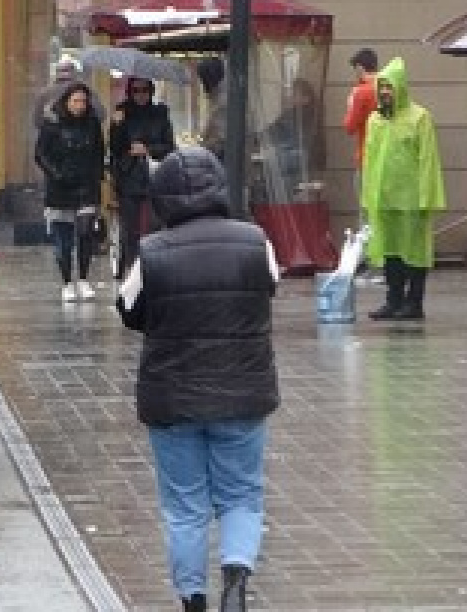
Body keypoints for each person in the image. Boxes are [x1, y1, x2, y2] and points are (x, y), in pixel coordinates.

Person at [117, 146, 279, 612]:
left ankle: (192, 599)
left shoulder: (152, 252)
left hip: (173, 399)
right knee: (241, 495)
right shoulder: (255, 241)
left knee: (185, 507)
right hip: (243, 392)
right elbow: (269, 285)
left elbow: (129, 310)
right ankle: (236, 578)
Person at [360, 58, 445, 321]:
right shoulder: (375, 120)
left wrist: (427, 196)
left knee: (415, 252)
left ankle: (414, 301)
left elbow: (428, 159)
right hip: (384, 200)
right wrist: (368, 196)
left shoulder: (420, 118)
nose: (385, 91)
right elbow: (370, 160)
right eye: (382, 86)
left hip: (411, 200)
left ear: (401, 88)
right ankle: (393, 299)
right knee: (391, 252)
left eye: (390, 86)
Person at [35, 81, 107, 302]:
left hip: (86, 187)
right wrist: (56, 174)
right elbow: (40, 154)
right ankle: (67, 282)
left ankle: (84, 279)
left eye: (83, 101)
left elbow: (98, 153)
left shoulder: (92, 124)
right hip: (60, 190)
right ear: (66, 102)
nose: (80, 105)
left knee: (85, 235)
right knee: (63, 240)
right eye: (75, 101)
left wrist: (97, 179)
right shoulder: (52, 124)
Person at [108, 76, 176, 279]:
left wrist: (148, 149)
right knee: (130, 225)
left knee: (156, 222)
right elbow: (115, 148)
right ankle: (132, 266)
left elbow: (169, 146)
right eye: (136, 91)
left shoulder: (160, 113)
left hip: (155, 172)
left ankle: (154, 264)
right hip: (129, 174)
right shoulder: (121, 112)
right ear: (130, 92)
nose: (141, 95)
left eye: (145, 90)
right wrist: (117, 126)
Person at [340, 48, 380, 177]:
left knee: (363, 193)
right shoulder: (388, 88)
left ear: (359, 67)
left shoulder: (361, 91)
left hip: (367, 154)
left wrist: (351, 102)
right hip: (388, 155)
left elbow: (349, 127)